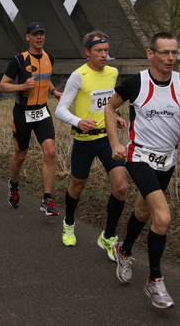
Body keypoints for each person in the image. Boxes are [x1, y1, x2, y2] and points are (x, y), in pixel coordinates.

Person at [105, 32, 180, 310]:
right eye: (164, 53)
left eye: (174, 52)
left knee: (142, 211)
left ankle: (123, 250)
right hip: (139, 157)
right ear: (151, 54)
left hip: (168, 160)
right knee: (162, 218)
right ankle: (154, 279)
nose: (170, 58)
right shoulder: (135, 83)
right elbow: (110, 108)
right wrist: (115, 143)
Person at [54, 30, 128, 258]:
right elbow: (60, 109)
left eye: (106, 50)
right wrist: (78, 121)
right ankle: (68, 222)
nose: (104, 55)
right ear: (88, 52)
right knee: (77, 186)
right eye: (99, 51)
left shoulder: (113, 72)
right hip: (84, 140)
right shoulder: (79, 76)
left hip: (108, 139)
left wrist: (115, 115)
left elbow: (108, 103)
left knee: (121, 187)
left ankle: (108, 237)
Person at [0, 22, 62, 215]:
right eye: (35, 35)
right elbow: (2, 86)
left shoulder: (49, 57)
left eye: (42, 34)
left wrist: (53, 90)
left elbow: (45, 76)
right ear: (28, 37)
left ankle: (47, 199)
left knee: (50, 152)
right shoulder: (18, 60)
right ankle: (14, 186)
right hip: (22, 113)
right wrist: (22, 87)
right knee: (20, 156)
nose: (39, 37)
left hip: (42, 111)